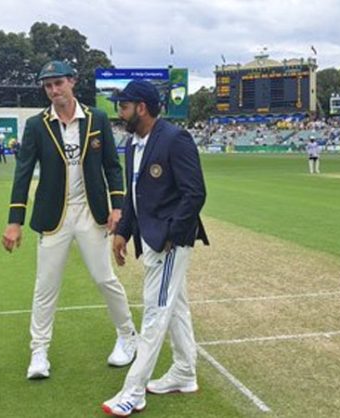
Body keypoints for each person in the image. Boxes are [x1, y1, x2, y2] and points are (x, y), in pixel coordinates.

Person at [1, 60, 138, 379]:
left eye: (58, 83)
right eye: (47, 85)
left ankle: (128, 337)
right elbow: (23, 171)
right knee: (45, 286)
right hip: (54, 217)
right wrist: (14, 220)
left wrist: (117, 205)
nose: (53, 90)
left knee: (105, 279)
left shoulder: (97, 118)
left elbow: (112, 167)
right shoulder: (37, 125)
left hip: (91, 214)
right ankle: (39, 352)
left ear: (72, 82)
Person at [102, 80, 208, 416]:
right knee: (174, 307)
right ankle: (184, 372)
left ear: (141, 108)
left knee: (155, 312)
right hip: (149, 238)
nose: (119, 112)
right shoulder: (132, 143)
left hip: (170, 242)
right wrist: (122, 232)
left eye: (123, 106)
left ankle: (134, 391)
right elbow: (136, 196)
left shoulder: (175, 139)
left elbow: (195, 193)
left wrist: (170, 236)